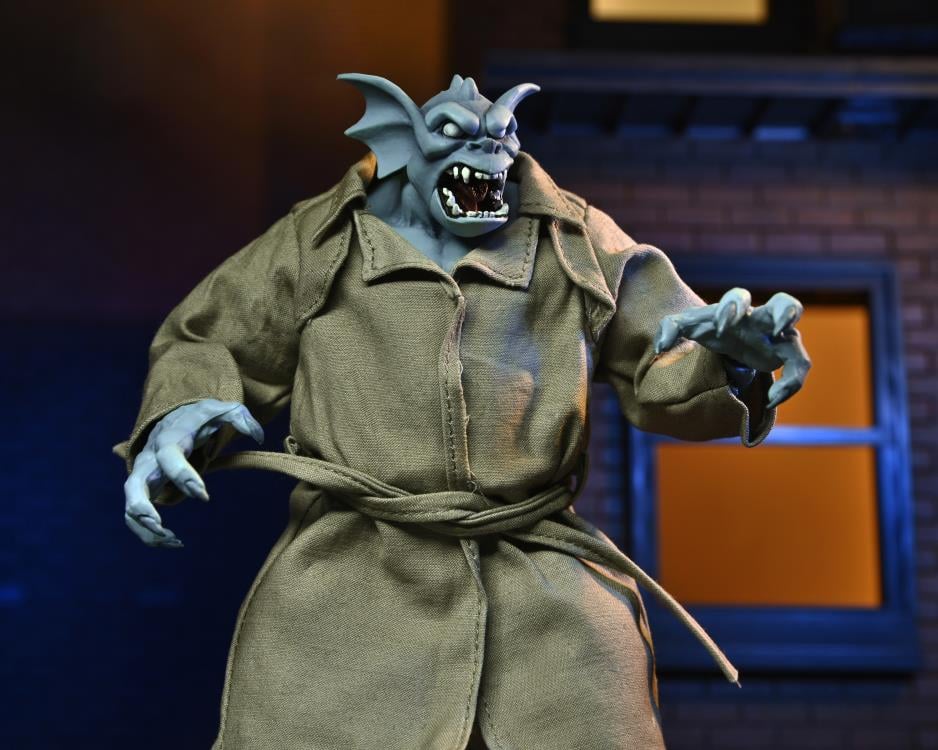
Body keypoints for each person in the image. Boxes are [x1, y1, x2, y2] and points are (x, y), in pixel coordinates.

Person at [115, 73, 810, 750]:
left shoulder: (574, 239)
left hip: (546, 595)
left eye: (502, 134)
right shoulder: (320, 239)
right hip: (344, 590)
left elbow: (672, 358)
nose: (488, 149)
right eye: (455, 132)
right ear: (402, 138)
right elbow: (211, 338)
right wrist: (182, 410)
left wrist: (735, 359)